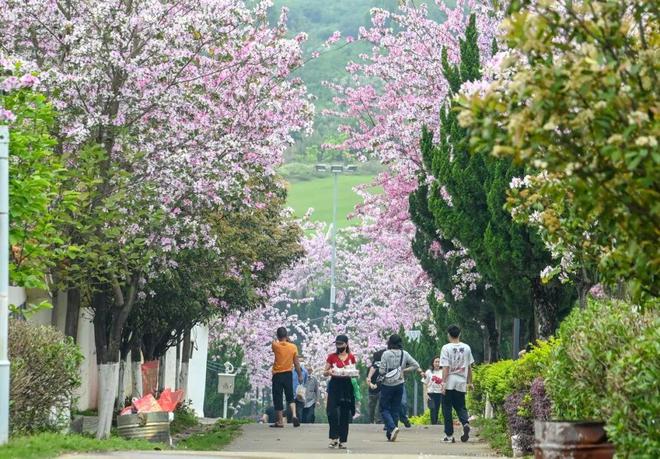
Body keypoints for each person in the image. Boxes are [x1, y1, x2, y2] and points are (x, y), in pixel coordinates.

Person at [378, 334, 423, 442]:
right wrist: (403, 370)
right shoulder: (404, 353)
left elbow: (381, 371)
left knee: (384, 408)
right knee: (395, 408)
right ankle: (391, 433)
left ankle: (392, 427)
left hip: (387, 385)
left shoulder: (386, 354)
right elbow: (416, 365)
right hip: (399, 384)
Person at [440, 324, 474, 443]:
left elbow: (445, 367)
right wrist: (470, 382)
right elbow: (469, 367)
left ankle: (449, 435)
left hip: (449, 381)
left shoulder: (446, 348)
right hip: (461, 381)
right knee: (460, 406)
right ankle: (465, 423)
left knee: (447, 408)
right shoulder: (467, 348)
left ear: (448, 335)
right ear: (460, 334)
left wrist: (443, 383)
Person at [324, 334, 357, 449]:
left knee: (344, 414)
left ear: (346, 344)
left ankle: (342, 440)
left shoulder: (351, 357)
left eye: (340, 344)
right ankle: (334, 438)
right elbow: (325, 371)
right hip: (334, 386)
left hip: (346, 386)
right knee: (332, 412)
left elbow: (353, 371)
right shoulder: (332, 357)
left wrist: (349, 372)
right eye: (337, 344)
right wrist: (330, 372)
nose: (338, 346)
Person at [270, 327, 303, 428]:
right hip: (288, 374)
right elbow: (296, 363)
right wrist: (300, 375)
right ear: (286, 335)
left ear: (278, 335)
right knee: (289, 396)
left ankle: (280, 421)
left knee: (278, 397)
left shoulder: (275, 345)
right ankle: (294, 415)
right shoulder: (293, 347)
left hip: (277, 375)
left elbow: (273, 341)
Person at [423, 356, 444, 425]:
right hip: (431, 393)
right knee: (432, 408)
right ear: (433, 363)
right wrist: (425, 394)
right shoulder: (428, 372)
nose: (437, 363)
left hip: (440, 393)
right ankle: (433, 423)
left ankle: (435, 423)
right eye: (436, 362)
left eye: (439, 362)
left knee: (437, 408)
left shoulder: (443, 371)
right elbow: (425, 383)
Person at [366, 349, 385, 424]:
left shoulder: (383, 368)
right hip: (372, 390)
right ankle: (371, 420)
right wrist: (371, 385)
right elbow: (367, 379)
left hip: (381, 389)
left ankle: (379, 420)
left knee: (380, 405)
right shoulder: (371, 368)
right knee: (372, 406)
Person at [291, 356, 309, 423]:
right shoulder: (291, 371)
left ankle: (299, 425)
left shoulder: (305, 372)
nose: (301, 363)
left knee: (299, 411)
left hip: (300, 394)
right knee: (290, 412)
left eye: (302, 361)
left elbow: (305, 383)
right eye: (299, 361)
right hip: (292, 394)